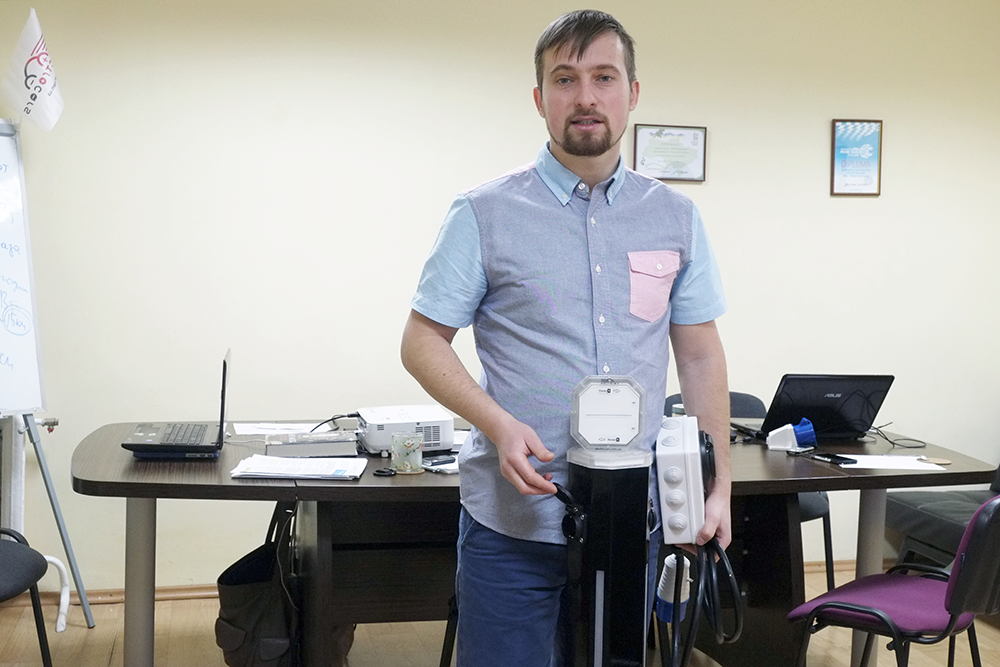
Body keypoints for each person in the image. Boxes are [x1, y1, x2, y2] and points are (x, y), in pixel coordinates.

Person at [400, 9, 730, 666]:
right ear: (539, 98)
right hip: (513, 522)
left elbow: (698, 354)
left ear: (632, 93)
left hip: (633, 520)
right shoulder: (483, 212)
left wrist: (715, 487)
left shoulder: (675, 216)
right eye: (565, 78)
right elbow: (421, 340)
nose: (585, 97)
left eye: (604, 77)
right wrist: (495, 422)